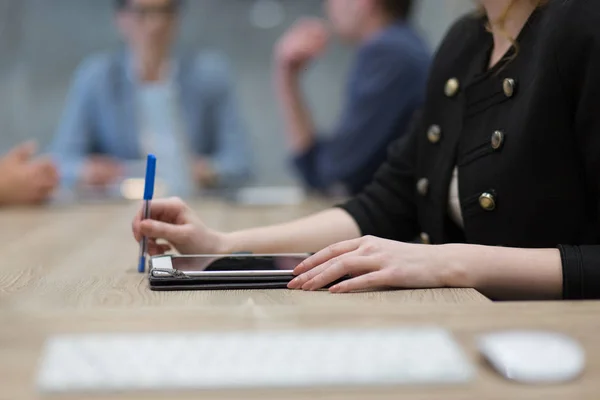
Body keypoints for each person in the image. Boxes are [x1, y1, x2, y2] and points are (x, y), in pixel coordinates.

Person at [132, 0, 600, 300]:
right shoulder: (466, 41)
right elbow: (386, 204)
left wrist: (445, 260)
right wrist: (223, 247)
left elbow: (334, 170)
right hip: (471, 322)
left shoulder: (583, 26)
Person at [51, 0, 251, 197]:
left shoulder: (209, 74)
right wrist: (87, 171)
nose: (155, 24)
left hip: (195, 202)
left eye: (165, 12)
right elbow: (61, 160)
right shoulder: (98, 77)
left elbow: (241, 162)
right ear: (121, 18)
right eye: (142, 13)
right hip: (119, 205)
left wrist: (208, 170)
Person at [274, 0, 430, 195]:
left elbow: (332, 175)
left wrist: (285, 75)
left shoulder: (387, 53)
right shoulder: (404, 45)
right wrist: (289, 75)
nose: (328, 6)